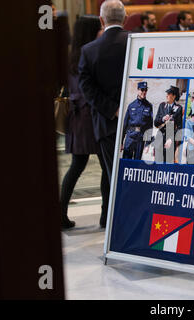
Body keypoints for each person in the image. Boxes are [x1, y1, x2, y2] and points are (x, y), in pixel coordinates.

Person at [79, 0, 129, 228]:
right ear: (125, 18)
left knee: (112, 175)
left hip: (106, 124)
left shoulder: (88, 51)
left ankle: (114, 225)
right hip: (140, 122)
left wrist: (112, 109)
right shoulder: (138, 43)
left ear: (102, 20)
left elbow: (87, 88)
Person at [60, 16, 108, 230]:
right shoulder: (91, 53)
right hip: (92, 117)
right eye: (99, 28)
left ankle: (61, 214)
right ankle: (105, 217)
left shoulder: (70, 56)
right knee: (107, 167)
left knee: (76, 166)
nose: (101, 31)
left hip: (76, 118)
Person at [122, 82, 153, 160]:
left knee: (137, 162)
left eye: (145, 90)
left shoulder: (149, 106)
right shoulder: (131, 105)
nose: (144, 92)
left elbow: (150, 126)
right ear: (138, 90)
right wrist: (121, 142)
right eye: (142, 90)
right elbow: (125, 124)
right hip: (130, 137)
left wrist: (147, 144)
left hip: (141, 138)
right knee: (126, 161)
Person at [154, 86, 183, 163]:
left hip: (170, 140)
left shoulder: (179, 108)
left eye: (169, 94)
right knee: (157, 163)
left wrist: (171, 139)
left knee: (168, 164)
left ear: (174, 96)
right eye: (167, 94)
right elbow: (156, 123)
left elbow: (179, 127)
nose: (166, 95)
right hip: (160, 138)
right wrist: (162, 119)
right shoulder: (162, 106)